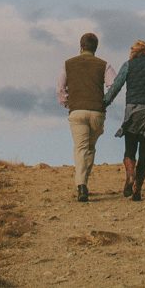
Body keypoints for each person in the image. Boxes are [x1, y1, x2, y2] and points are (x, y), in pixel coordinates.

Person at [102, 38, 145, 201]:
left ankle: (130, 175)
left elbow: (116, 85)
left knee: (130, 149)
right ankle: (137, 189)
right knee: (144, 152)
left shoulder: (128, 65)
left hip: (133, 110)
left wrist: (104, 102)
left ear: (134, 52)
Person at [56, 31, 112, 202]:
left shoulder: (68, 64)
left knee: (81, 148)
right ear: (96, 48)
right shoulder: (104, 65)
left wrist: (67, 102)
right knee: (90, 148)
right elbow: (113, 85)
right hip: (96, 111)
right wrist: (104, 102)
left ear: (81, 47)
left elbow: (60, 88)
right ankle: (83, 183)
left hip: (77, 111)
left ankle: (81, 185)